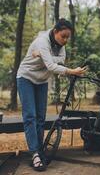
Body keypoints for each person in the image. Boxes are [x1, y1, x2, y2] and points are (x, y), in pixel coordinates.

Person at [17, 18, 86, 171]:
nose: (66, 40)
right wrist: (71, 70)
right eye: (63, 36)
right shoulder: (42, 42)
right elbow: (51, 66)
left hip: (41, 81)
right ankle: (35, 154)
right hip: (26, 78)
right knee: (30, 117)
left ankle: (40, 150)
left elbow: (61, 60)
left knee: (41, 118)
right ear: (55, 31)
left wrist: (43, 55)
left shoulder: (60, 45)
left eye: (68, 37)